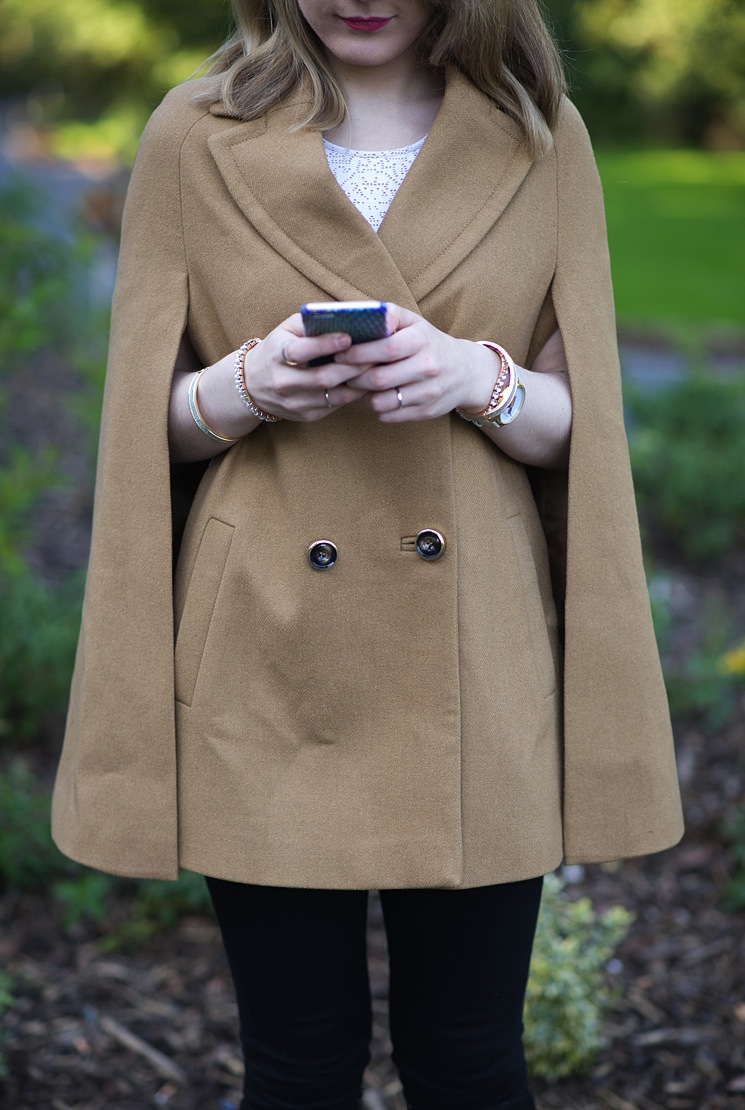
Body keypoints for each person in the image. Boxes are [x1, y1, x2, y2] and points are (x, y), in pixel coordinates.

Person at [52, 2, 685, 1107]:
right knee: (297, 1062)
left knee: (470, 1057)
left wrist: (473, 381)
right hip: (266, 646)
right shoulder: (190, 133)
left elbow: (578, 418)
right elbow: (140, 423)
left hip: (475, 654)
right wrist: (243, 388)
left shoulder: (539, 130)